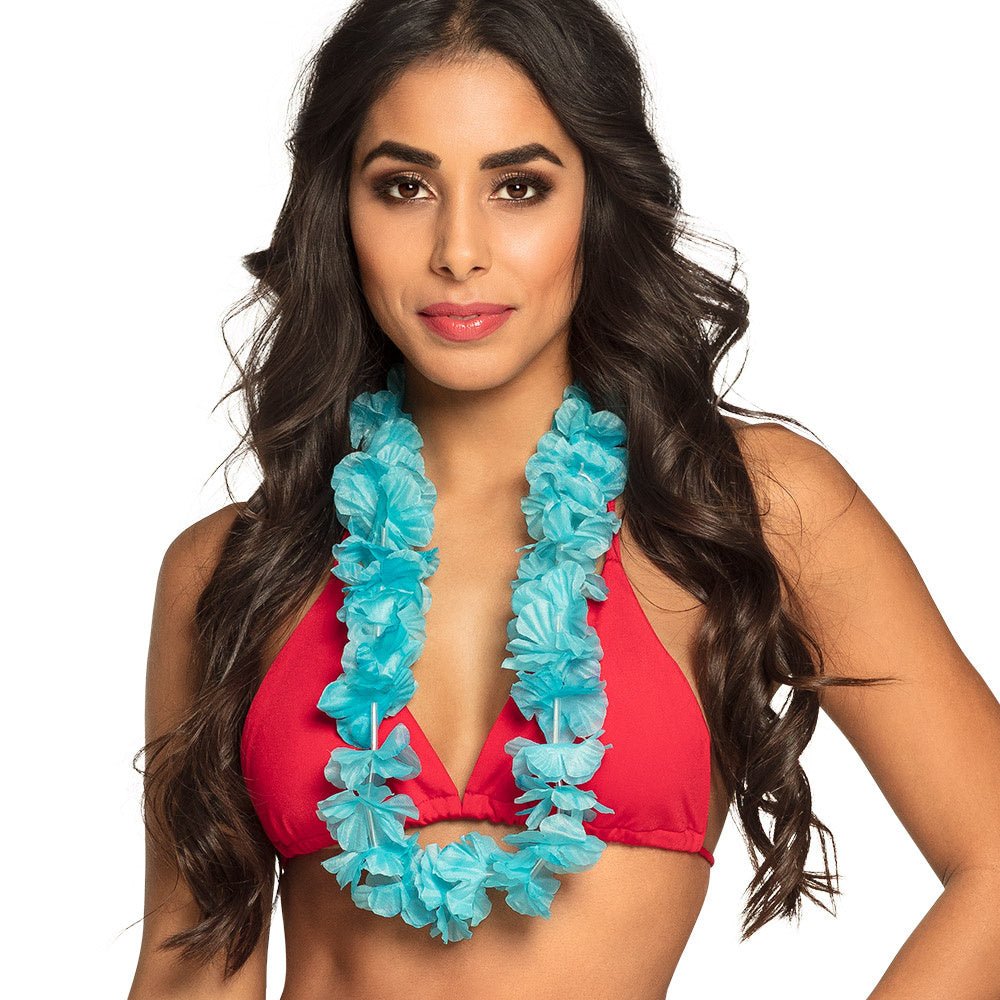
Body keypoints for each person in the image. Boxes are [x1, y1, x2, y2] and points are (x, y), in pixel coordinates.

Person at [128, 1, 1000, 997]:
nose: (459, 249)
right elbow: (191, 962)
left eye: (520, 186)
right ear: (340, 209)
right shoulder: (232, 564)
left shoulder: (744, 504)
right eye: (404, 186)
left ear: (597, 200)